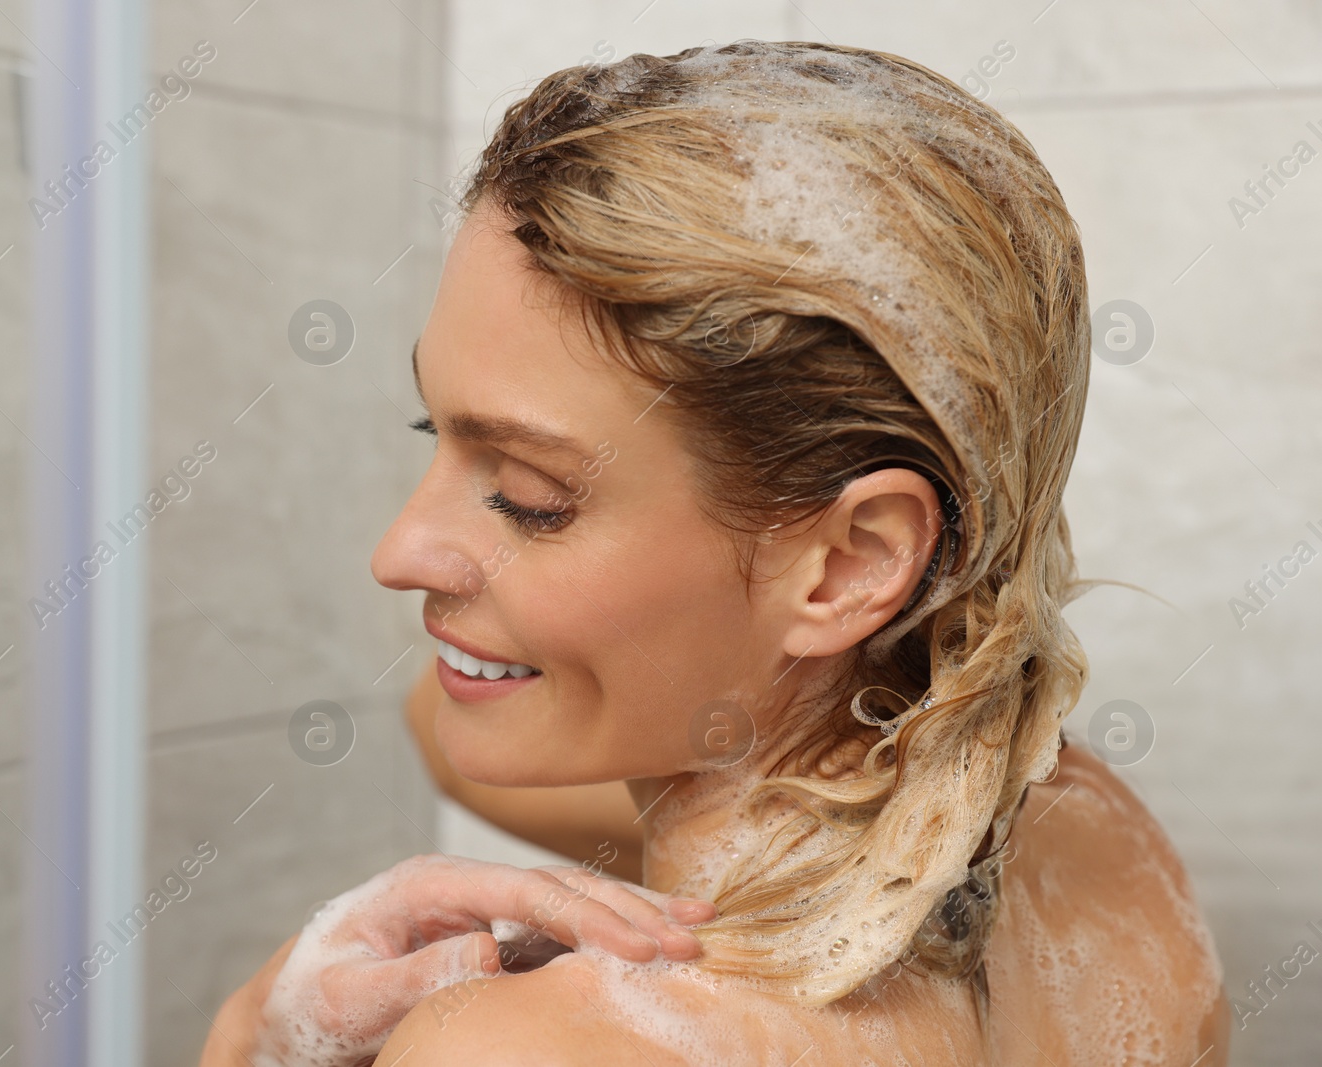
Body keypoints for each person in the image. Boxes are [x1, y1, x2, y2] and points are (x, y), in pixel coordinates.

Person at [201, 40, 1230, 1065]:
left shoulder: (516, 1047)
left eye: (529, 498)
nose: (399, 550)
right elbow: (441, 720)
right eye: (436, 432)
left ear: (849, 565)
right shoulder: (1096, 845)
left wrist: (257, 1030)